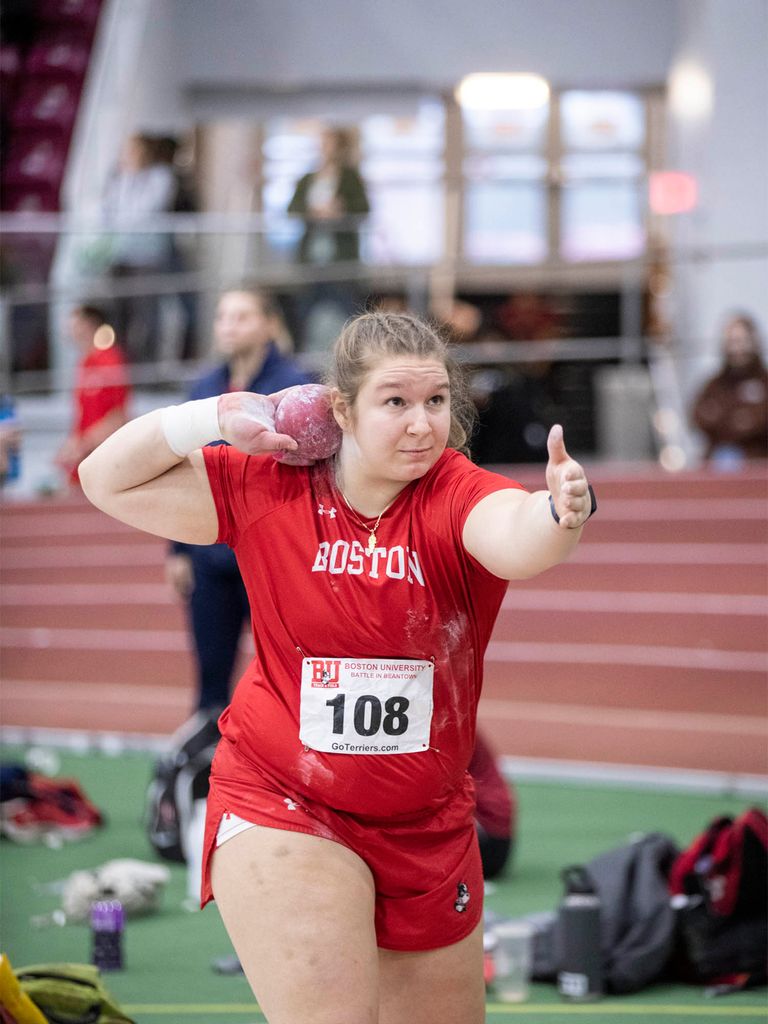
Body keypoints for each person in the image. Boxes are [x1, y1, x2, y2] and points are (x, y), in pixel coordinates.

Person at [79, 311, 595, 1024]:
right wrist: (218, 414)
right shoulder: (270, 485)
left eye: (436, 402)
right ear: (341, 409)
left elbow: (515, 537)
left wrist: (561, 512)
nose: (422, 424)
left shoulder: (455, 492)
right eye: (396, 403)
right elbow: (102, 478)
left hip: (429, 826)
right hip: (285, 801)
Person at [166, 287, 309, 713]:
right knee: (210, 680)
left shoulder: (296, 386)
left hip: (273, 553)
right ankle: (207, 772)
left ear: (270, 325)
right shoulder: (204, 386)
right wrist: (177, 550)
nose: (229, 325)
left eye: (242, 316)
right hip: (210, 554)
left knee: (289, 674)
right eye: (223, 316)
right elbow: (184, 466)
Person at [287, 126, 370, 350]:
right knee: (304, 315)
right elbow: (292, 209)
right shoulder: (308, 178)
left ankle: (353, 359)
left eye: (328, 143)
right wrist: (312, 212)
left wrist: (340, 211)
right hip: (312, 261)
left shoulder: (350, 177)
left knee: (350, 316)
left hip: (341, 261)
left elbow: (363, 209)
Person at [102, 133, 176, 363]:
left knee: (147, 313)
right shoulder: (120, 177)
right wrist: (126, 177)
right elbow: (108, 211)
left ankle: (148, 367)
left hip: (147, 256)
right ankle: (122, 366)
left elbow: (146, 211)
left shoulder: (160, 177)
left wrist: (123, 219)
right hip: (120, 254)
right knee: (119, 313)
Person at [54, 305, 131, 487]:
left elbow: (118, 417)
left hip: (105, 455)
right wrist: (71, 446)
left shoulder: (111, 359)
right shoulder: (84, 363)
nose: (69, 327)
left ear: (89, 324)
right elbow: (82, 416)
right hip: (87, 456)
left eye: (76, 321)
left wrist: (81, 446)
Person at [691, 313, 768, 467]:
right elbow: (698, 417)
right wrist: (737, 420)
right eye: (732, 342)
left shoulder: (764, 382)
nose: (737, 348)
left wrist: (724, 419)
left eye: (742, 341)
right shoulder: (715, 384)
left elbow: (760, 421)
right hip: (716, 462)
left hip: (756, 463)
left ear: (754, 342)